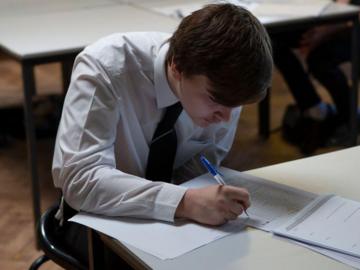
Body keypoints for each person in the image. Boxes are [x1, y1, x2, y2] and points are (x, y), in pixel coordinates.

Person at [52, 3, 273, 265]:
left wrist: (201, 199)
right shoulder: (106, 68)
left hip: (173, 226)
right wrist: (184, 202)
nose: (226, 117)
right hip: (99, 222)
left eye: (236, 107)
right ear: (177, 67)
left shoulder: (225, 90)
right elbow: (80, 180)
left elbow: (201, 165)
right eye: (215, 100)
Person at [272, 0, 360, 151]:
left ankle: (350, 118)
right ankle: (314, 108)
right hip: (358, 15)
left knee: (320, 59)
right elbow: (344, 3)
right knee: (276, 39)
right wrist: (324, 25)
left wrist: (325, 31)